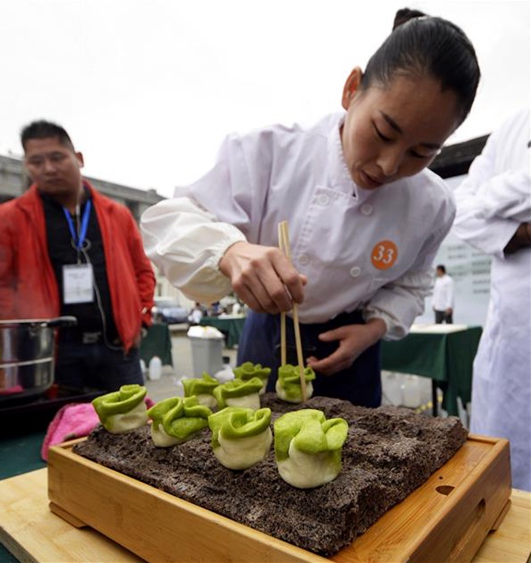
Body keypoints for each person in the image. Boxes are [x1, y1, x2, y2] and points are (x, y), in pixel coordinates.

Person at [141, 9, 480, 407]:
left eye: (421, 152)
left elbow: (410, 284)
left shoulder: (433, 205)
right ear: (352, 89)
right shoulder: (270, 153)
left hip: (353, 349)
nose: (390, 165)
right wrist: (230, 252)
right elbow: (171, 224)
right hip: (269, 332)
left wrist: (371, 330)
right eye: (383, 132)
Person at [0, 120, 155, 391]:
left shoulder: (117, 214)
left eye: (57, 157)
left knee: (131, 427)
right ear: (26, 165)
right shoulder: (8, 217)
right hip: (56, 353)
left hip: (118, 348)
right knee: (60, 430)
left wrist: (141, 320)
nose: (48, 169)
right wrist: (25, 338)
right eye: (36, 161)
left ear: (79, 158)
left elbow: (142, 271)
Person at [452, 108, 530, 491]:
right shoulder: (512, 129)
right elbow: (463, 210)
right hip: (511, 351)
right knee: (504, 478)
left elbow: (481, 201)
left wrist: (495, 197)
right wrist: (522, 232)